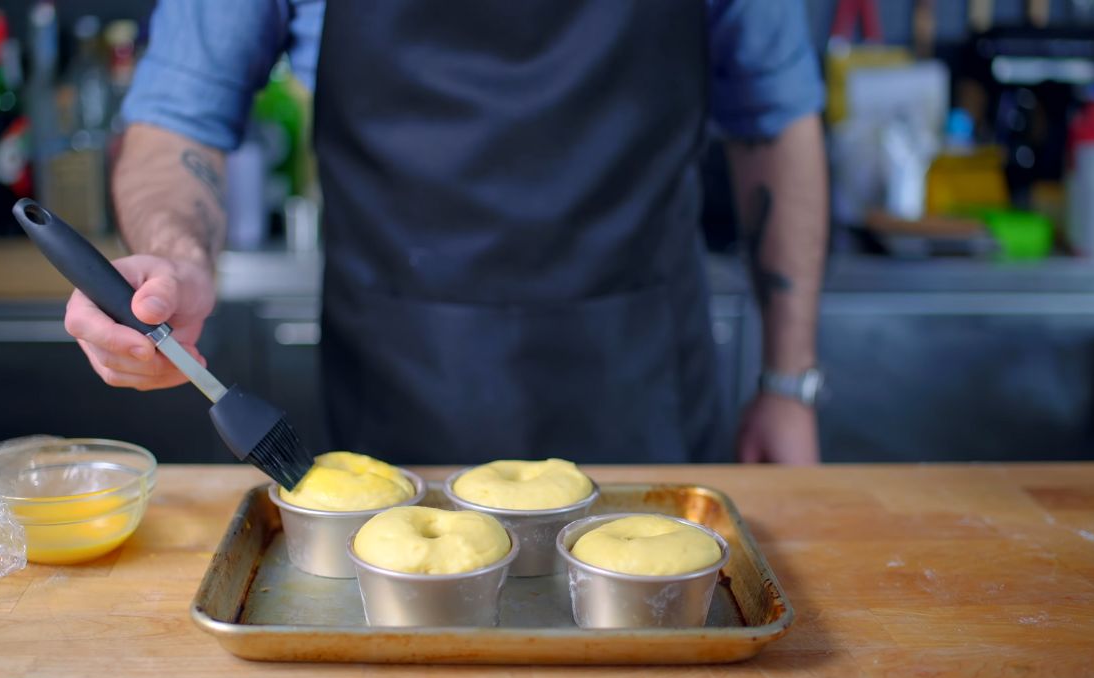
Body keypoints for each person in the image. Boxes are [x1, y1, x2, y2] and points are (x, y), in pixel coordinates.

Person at [64, 0, 828, 466]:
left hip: (642, 381)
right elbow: (175, 123)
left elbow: (775, 123)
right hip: (402, 386)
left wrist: (787, 386)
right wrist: (177, 259)